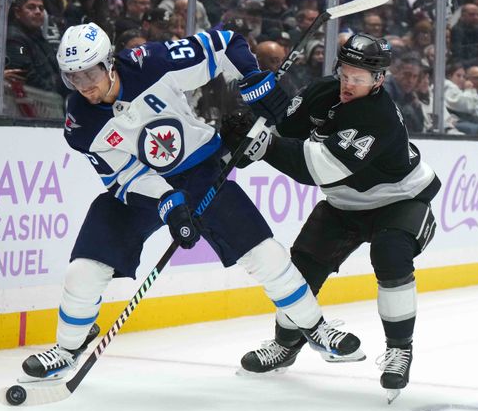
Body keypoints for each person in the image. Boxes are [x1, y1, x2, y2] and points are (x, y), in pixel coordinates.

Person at [19, 23, 363, 381]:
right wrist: (168, 201)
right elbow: (122, 176)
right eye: (74, 77)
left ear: (109, 63)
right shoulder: (81, 122)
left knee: (267, 255)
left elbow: (223, 43)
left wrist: (252, 77)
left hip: (201, 174)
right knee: (84, 269)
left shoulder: (149, 63)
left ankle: (315, 328)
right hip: (142, 193)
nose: (84, 84)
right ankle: (68, 347)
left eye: (90, 72)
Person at [224, 33, 441, 401]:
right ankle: (286, 345)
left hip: (400, 198)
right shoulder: (325, 90)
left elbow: (318, 170)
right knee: (300, 271)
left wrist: (266, 148)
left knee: (390, 255)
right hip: (344, 203)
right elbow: (284, 128)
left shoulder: (379, 116)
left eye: (359, 78)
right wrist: (255, 123)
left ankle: (399, 349)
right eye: (345, 72)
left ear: (378, 80)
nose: (348, 84)